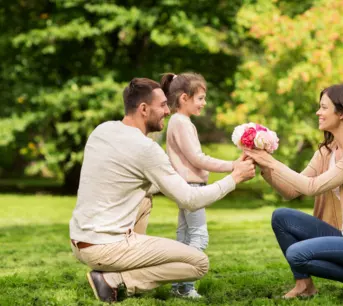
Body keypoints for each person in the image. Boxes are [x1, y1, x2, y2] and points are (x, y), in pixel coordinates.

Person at [69, 78, 255, 303]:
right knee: (198, 263)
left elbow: (138, 180)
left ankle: (117, 268)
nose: (168, 110)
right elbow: (190, 199)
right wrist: (234, 178)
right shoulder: (146, 149)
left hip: (79, 240)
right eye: (163, 105)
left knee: (145, 200)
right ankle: (117, 280)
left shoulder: (103, 130)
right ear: (144, 109)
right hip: (106, 248)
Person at [245, 84, 343, 301]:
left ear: (341, 113)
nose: (318, 112)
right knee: (281, 217)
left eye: (324, 107)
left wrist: (272, 161)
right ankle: (304, 285)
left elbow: (312, 186)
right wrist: (265, 166)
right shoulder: (327, 151)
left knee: (297, 254)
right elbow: (291, 191)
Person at [159, 72, 241, 298]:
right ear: (184, 98)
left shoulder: (179, 121)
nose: (204, 104)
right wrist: (232, 165)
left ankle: (177, 287)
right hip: (190, 187)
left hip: (186, 185)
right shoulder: (181, 122)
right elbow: (197, 158)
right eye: (200, 98)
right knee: (199, 236)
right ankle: (187, 286)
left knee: (184, 237)